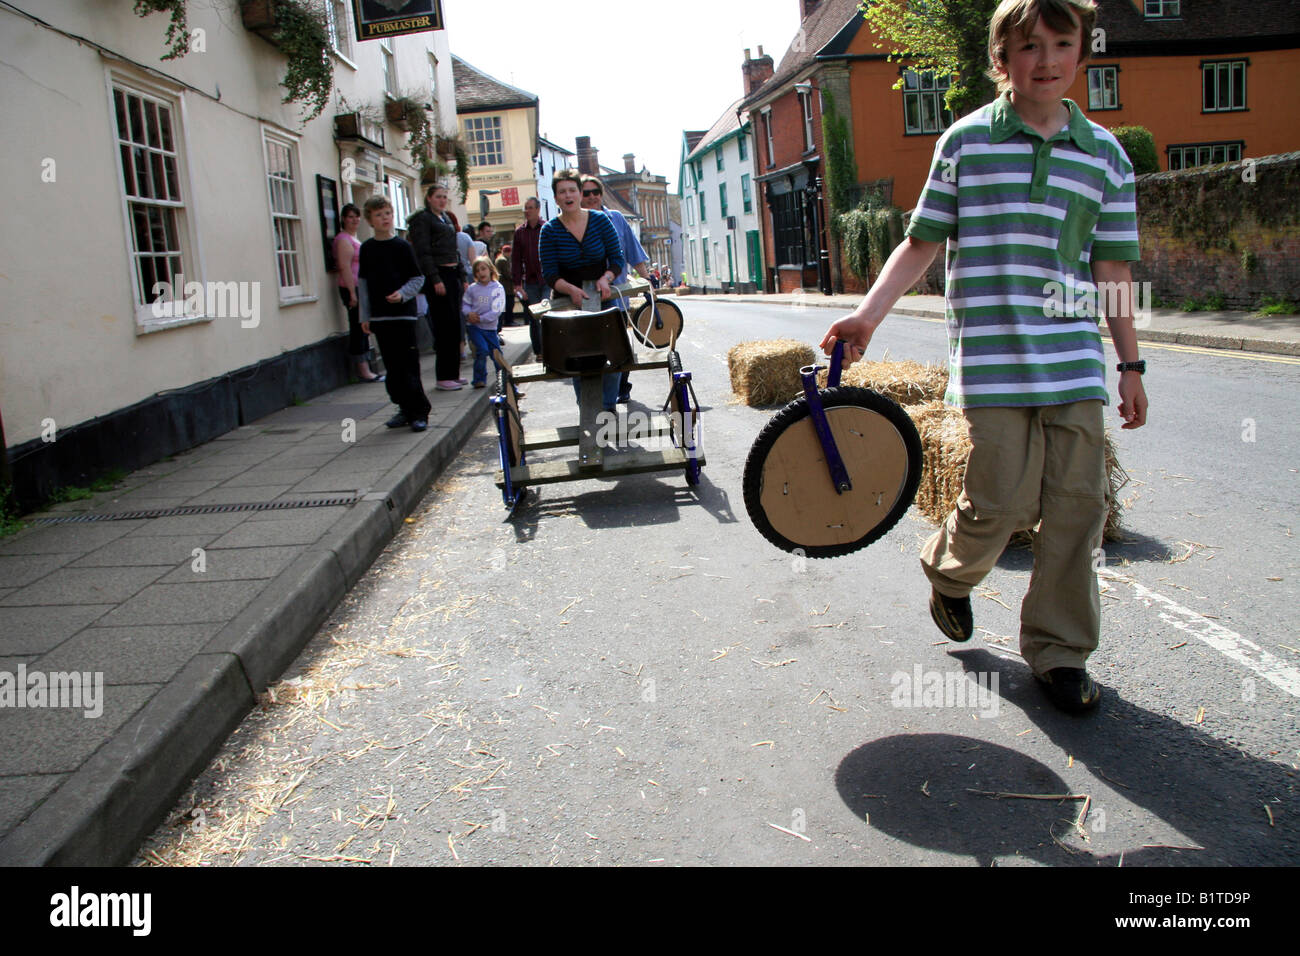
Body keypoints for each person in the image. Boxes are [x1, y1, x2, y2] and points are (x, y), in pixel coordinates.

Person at [821, 0, 1147, 714]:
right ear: (1003, 60)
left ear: (1081, 53)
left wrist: (1130, 366)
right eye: (1031, 46)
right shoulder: (965, 143)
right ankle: (950, 572)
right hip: (994, 363)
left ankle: (1060, 653)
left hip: (1073, 365)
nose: (1049, 59)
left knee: (1077, 508)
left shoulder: (1106, 157)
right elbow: (922, 242)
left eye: (1063, 44)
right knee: (999, 501)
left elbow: (1114, 272)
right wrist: (867, 316)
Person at [539, 168, 626, 411]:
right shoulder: (549, 231)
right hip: (568, 300)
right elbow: (550, 274)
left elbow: (617, 259)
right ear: (556, 198)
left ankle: (607, 406)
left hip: (602, 294)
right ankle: (587, 408)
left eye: (572, 190)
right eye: (562, 192)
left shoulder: (600, 220)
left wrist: (606, 278)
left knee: (613, 350)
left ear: (579, 193)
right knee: (577, 355)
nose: (568, 196)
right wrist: (570, 290)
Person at [357, 196, 431, 430]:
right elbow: (363, 284)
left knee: (409, 364)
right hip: (380, 317)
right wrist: (364, 316)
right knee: (393, 368)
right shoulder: (367, 248)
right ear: (370, 220)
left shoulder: (402, 246)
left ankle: (419, 412)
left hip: (403, 315)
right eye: (378, 215)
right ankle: (403, 408)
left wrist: (402, 294)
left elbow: (418, 278)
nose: (384, 218)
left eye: (387, 213)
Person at [580, 174, 650, 404]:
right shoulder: (574, 223)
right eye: (586, 192)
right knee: (593, 352)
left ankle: (621, 388)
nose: (591, 197)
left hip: (617, 295)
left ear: (601, 194)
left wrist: (647, 280)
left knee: (618, 347)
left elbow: (632, 252)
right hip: (586, 301)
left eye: (595, 192)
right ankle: (595, 400)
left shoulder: (617, 219)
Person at [406, 184, 467, 390]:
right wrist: (434, 279)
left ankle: (453, 372)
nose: (442, 200)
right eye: (438, 197)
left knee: (454, 326)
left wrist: (462, 276)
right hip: (438, 276)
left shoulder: (446, 218)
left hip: (452, 275)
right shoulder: (422, 219)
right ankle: (443, 376)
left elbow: (454, 250)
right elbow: (423, 253)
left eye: (444, 197)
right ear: (429, 198)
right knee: (443, 327)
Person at [334, 203, 383, 382]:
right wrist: (352, 294)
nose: (354, 220)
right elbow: (344, 267)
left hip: (360, 288)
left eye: (357, 216)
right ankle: (362, 370)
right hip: (351, 288)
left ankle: (367, 367)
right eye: (350, 217)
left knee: (363, 326)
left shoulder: (354, 238)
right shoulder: (343, 240)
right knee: (357, 327)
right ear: (343, 219)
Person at [461, 256, 506, 389]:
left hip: (490, 328)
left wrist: (481, 318)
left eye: (483, 269)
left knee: (497, 357)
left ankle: (507, 383)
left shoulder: (497, 288)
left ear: (490, 270)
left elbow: (496, 310)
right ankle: (479, 379)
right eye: (477, 270)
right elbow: (465, 304)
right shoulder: (472, 289)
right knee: (482, 350)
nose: (481, 273)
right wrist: (468, 314)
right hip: (474, 327)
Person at [512, 197, 546, 357]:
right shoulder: (520, 233)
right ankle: (539, 352)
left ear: (538, 209)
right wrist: (517, 284)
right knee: (534, 317)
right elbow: (516, 260)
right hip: (530, 282)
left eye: (530, 208)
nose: (527, 211)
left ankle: (550, 350)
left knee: (547, 315)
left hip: (547, 280)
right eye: (525, 208)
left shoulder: (546, 228)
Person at [495, 243, 516, 327]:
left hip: (504, 286)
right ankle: (509, 321)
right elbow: (508, 274)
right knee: (509, 304)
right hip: (506, 287)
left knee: (506, 304)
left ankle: (506, 321)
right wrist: (516, 278)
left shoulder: (499, 259)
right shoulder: (503, 260)